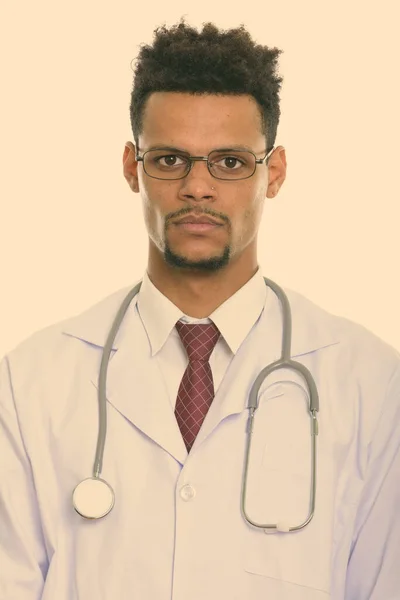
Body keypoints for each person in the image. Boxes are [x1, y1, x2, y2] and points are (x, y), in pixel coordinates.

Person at [0, 18, 399, 600]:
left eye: (230, 162)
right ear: (132, 167)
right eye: (169, 160)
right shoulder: (31, 381)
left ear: (276, 171)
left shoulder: (369, 382)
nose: (198, 187)